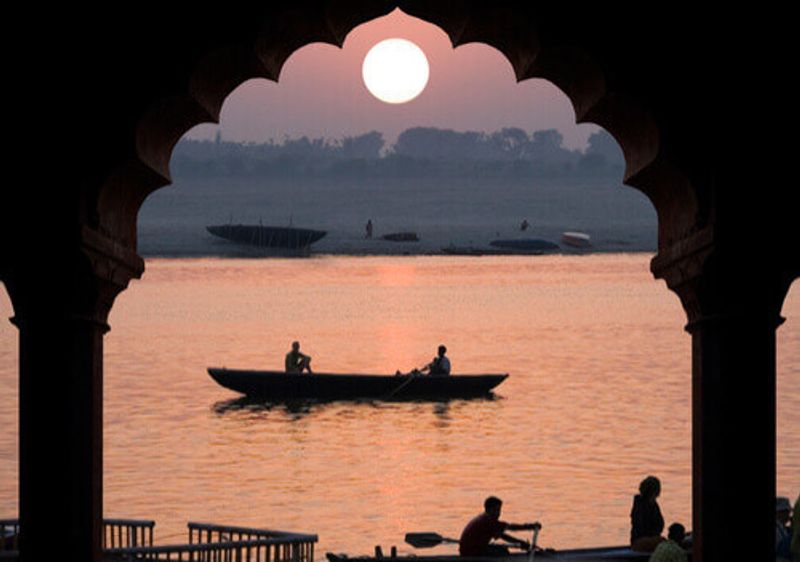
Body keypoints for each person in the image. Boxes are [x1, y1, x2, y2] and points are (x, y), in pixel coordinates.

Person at [459, 496, 541, 557]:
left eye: (499, 510)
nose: (498, 513)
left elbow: (502, 535)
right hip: (471, 552)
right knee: (503, 552)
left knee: (501, 549)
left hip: (469, 550)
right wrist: (530, 526)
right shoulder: (488, 520)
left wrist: (520, 542)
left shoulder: (484, 518)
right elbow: (511, 527)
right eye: (496, 510)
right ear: (489, 510)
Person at [630, 476, 665, 552]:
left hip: (651, 539)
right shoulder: (640, 506)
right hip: (640, 541)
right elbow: (641, 527)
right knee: (663, 542)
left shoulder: (653, 504)